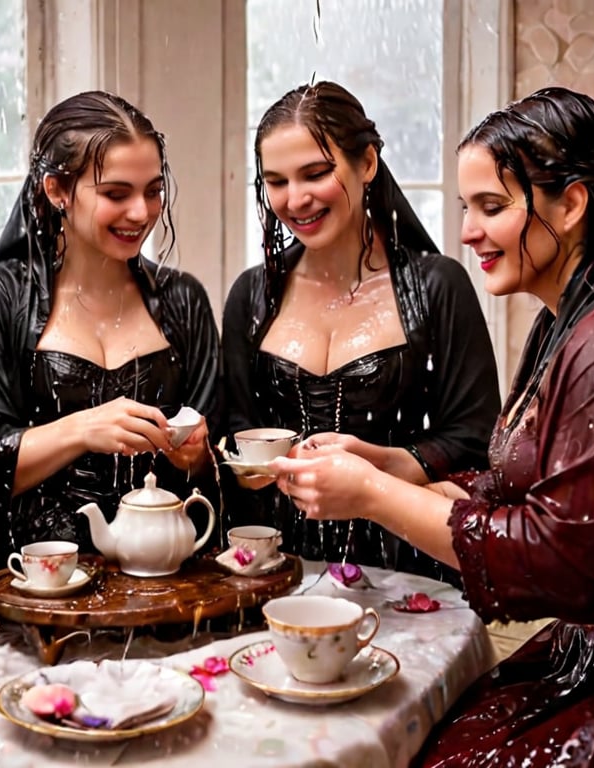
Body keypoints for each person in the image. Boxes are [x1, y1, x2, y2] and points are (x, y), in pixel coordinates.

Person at [273, 87, 594, 766]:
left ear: (571, 204)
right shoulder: (568, 321)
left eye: (492, 207)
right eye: (466, 208)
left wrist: (371, 496)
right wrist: (397, 466)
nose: (466, 232)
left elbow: (566, 563)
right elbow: (539, 488)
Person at [222, 81, 500, 582]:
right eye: (276, 181)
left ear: (367, 163)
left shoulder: (438, 286)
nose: (296, 199)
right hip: (282, 571)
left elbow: (474, 440)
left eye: (316, 173)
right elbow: (238, 440)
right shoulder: (251, 297)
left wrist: (386, 465)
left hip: (415, 567)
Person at [0, 91, 221, 578]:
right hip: (30, 592)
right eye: (116, 194)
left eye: (153, 191)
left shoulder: (183, 301)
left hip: (164, 589)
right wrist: (82, 429)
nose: (141, 213)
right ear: (56, 190)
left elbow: (223, 480)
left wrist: (198, 459)